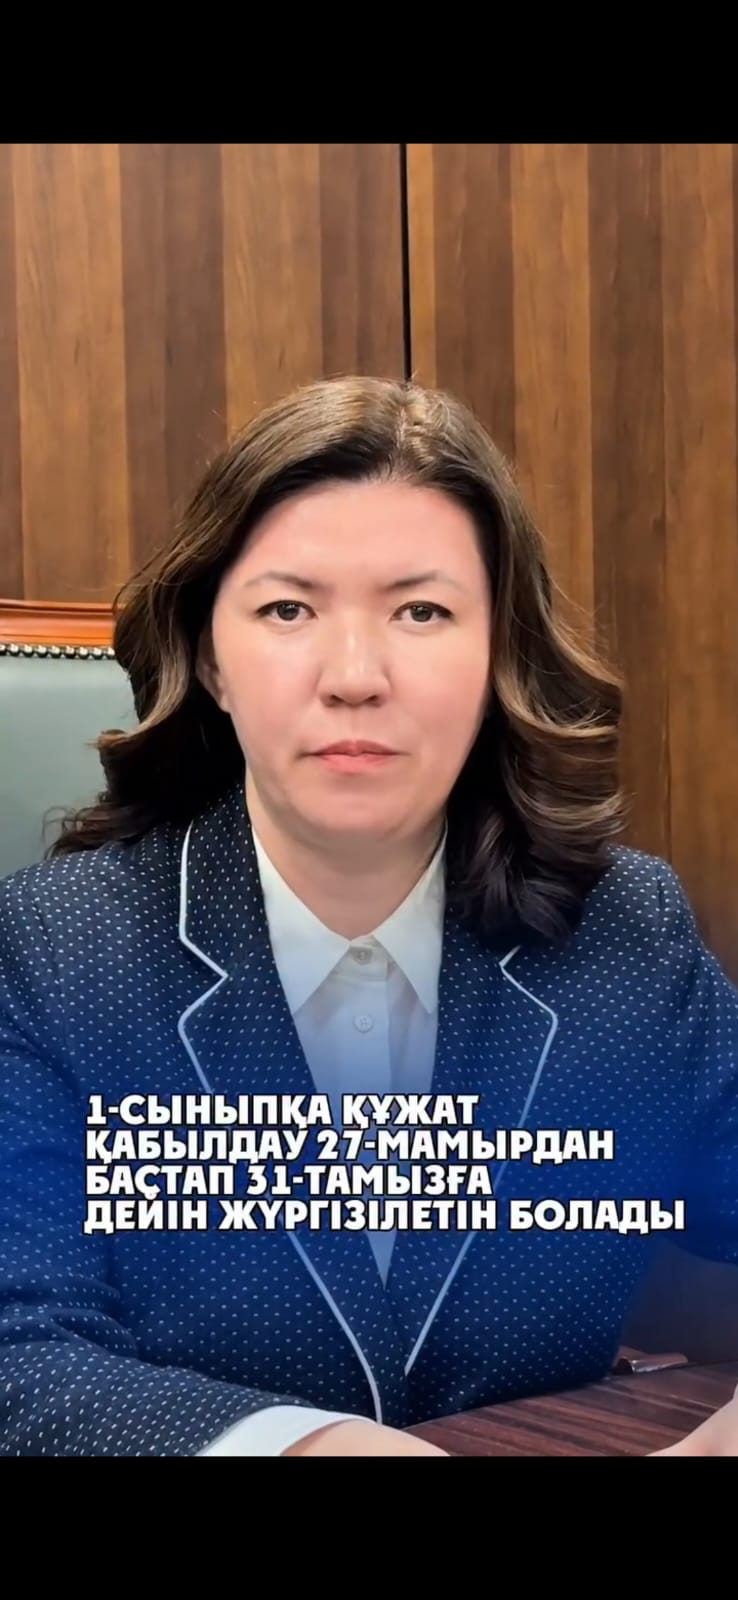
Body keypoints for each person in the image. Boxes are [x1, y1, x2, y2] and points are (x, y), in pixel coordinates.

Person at [1, 374, 737, 1458]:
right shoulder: (57, 949)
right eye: (288, 610)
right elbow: (19, 1348)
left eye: (421, 611)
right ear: (210, 657)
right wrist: (305, 1448)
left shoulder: (622, 932)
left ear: (498, 653)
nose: (355, 677)